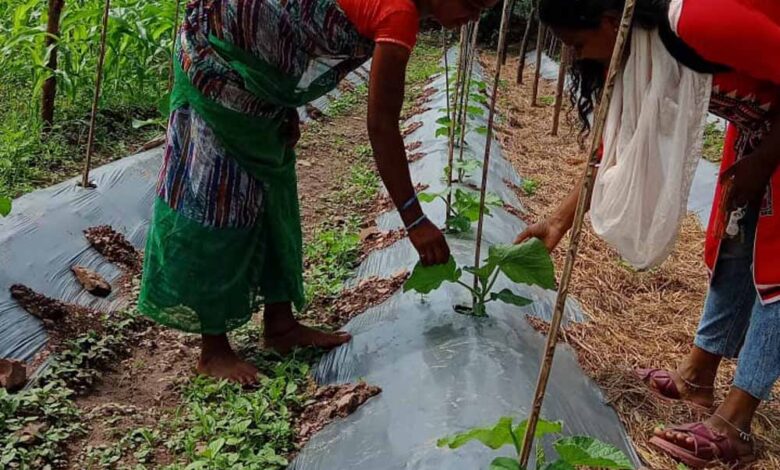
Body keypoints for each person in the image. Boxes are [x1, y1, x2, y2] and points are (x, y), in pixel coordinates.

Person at [139, 0, 496, 386]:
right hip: (216, 65)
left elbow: (290, 28)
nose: (474, 15)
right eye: (471, 3)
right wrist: (414, 218)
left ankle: (281, 326)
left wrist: (282, 99)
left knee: (275, 197)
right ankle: (214, 351)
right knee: (215, 205)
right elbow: (380, 124)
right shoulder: (398, 15)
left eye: (483, 8)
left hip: (256, 81)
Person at [515, 0, 780, 467]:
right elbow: (612, 145)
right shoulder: (642, 56)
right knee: (737, 246)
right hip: (762, 129)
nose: (576, 59)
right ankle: (697, 379)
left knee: (778, 270)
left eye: (576, 45)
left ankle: (735, 423)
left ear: (606, 21)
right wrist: (558, 221)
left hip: (770, 139)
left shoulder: (697, 22)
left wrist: (761, 164)